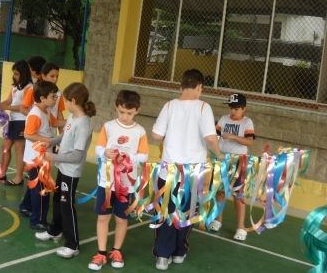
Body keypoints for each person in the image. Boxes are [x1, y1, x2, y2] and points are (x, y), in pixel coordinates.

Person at [151, 69, 223, 270]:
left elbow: (156, 135)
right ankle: (179, 252)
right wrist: (220, 153)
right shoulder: (203, 107)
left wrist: (173, 137)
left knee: (167, 211)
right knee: (187, 212)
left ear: (181, 86)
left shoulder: (169, 106)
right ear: (200, 87)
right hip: (192, 173)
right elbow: (210, 138)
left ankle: (162, 256)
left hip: (169, 171)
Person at [87, 90, 149, 270]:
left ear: (137, 110)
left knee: (121, 219)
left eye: (129, 113)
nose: (125, 116)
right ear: (116, 107)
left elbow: (144, 156)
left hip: (126, 184)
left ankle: (116, 251)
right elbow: (98, 148)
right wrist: (105, 152)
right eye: (122, 112)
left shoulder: (140, 131)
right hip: (106, 182)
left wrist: (128, 158)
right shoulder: (108, 126)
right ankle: (101, 253)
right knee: (103, 217)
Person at [34, 82, 96, 259]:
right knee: (58, 199)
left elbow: (77, 156)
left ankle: (72, 244)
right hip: (63, 167)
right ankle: (55, 230)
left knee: (66, 205)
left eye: (66, 101)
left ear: (73, 101)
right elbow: (64, 135)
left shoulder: (83, 124)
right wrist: (51, 142)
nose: (63, 104)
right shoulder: (73, 117)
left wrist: (52, 157)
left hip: (71, 171)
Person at [208, 93, 255, 241]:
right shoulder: (223, 119)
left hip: (239, 161)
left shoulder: (247, 122)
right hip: (222, 159)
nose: (233, 112)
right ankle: (217, 219)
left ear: (244, 109)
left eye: (236, 109)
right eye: (231, 108)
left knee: (238, 195)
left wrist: (233, 137)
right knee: (220, 191)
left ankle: (241, 227)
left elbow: (249, 142)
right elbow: (214, 136)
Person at [19, 80, 59, 230]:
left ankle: (25, 206)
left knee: (35, 185)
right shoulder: (35, 114)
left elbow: (55, 123)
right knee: (41, 189)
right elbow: (28, 134)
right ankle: (37, 220)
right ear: (42, 98)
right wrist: (48, 140)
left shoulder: (47, 111)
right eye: (53, 96)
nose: (55, 99)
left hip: (43, 157)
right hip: (35, 159)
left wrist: (72, 122)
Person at [0, 60, 32, 185]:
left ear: (24, 74)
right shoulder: (14, 87)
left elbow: (23, 107)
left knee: (19, 149)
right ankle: (2, 173)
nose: (15, 76)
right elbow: (8, 101)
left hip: (22, 121)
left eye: (17, 74)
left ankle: (19, 177)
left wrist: (6, 107)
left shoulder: (30, 88)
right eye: (14, 74)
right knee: (5, 148)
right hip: (11, 121)